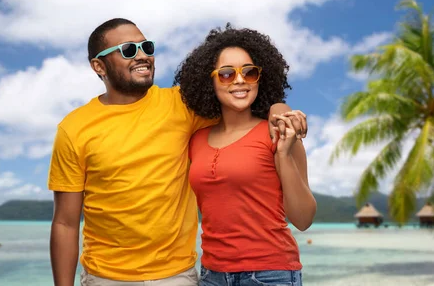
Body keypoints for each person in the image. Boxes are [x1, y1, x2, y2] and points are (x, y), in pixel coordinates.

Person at [48, 18, 307, 286]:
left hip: (178, 276)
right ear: (98, 66)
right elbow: (66, 223)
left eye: (146, 47)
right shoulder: (74, 129)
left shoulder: (182, 105)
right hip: (104, 277)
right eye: (128, 50)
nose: (142, 56)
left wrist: (279, 109)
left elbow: (240, 99)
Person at [174, 24, 316, 286]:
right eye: (227, 74)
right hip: (212, 274)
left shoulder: (279, 131)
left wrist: (284, 154)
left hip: (271, 273)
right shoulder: (196, 140)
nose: (239, 80)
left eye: (249, 72)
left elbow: (303, 219)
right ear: (210, 80)